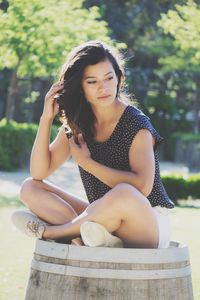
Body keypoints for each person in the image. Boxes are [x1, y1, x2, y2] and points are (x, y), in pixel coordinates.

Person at [12, 40, 175, 249]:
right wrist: (46, 118)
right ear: (80, 86)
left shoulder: (137, 124)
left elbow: (142, 187)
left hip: (146, 221)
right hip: (101, 219)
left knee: (124, 192)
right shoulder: (78, 123)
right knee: (29, 188)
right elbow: (38, 172)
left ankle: (55, 232)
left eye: (109, 77)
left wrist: (87, 163)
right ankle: (86, 239)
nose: (103, 87)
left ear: (118, 78)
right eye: (92, 81)